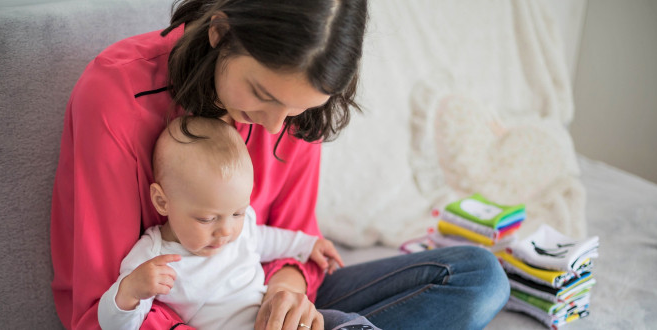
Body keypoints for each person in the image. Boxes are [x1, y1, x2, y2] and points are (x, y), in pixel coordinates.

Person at [50, 0, 510, 329]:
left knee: (480, 277)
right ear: (220, 31)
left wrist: (285, 294)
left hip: (262, 301)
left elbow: (294, 240)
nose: (275, 127)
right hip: (178, 319)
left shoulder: (293, 111)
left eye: (294, 110)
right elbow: (102, 303)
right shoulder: (115, 98)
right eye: (263, 96)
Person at [97, 117, 378, 330]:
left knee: (342, 321)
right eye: (206, 219)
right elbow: (113, 325)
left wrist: (308, 244)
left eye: (238, 213)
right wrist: (130, 292)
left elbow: (268, 239)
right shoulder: (154, 258)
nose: (226, 231)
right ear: (162, 201)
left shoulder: (238, 229)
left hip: (273, 320)